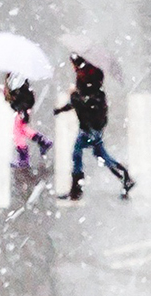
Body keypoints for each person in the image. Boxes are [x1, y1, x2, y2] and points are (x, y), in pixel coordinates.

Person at [55, 54, 133, 201]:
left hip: (92, 125)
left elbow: (88, 101)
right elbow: (80, 100)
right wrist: (62, 109)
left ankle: (76, 190)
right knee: (100, 155)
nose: (73, 68)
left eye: (74, 64)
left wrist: (74, 98)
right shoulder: (83, 77)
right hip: (90, 124)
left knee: (77, 152)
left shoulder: (90, 77)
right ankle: (125, 178)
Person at [4, 73, 51, 171]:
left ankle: (24, 158)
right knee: (22, 130)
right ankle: (42, 142)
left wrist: (21, 107)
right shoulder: (16, 78)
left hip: (22, 108)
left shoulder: (17, 80)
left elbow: (22, 96)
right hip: (22, 108)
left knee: (17, 132)